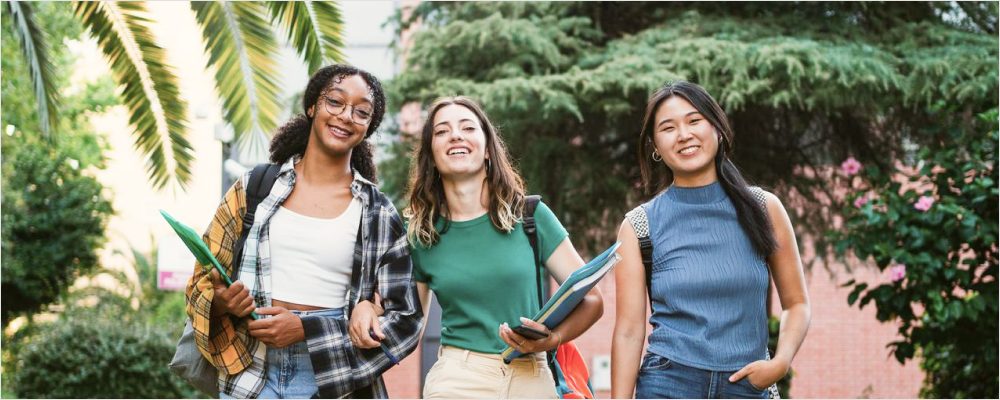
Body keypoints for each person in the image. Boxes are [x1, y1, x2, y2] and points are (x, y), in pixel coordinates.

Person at [184, 64, 422, 399]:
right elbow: (200, 283)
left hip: (333, 379)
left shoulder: (377, 212)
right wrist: (223, 303)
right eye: (335, 102)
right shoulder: (254, 187)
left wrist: (308, 330)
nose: (345, 116)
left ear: (368, 127)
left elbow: (406, 320)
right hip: (251, 375)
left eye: (361, 112)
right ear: (312, 106)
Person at [611, 81, 811, 399]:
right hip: (668, 384)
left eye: (694, 121)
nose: (684, 135)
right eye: (668, 128)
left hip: (747, 385)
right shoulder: (639, 226)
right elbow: (628, 331)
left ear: (717, 128)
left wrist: (781, 361)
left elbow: (797, 303)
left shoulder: (764, 208)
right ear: (655, 146)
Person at [401, 96, 604, 398]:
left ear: (487, 150)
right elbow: (408, 324)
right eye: (442, 131)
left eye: (467, 127)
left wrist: (552, 339)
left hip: (531, 376)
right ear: (431, 154)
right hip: (458, 378)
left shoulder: (531, 217)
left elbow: (592, 301)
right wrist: (367, 307)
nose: (455, 134)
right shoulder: (420, 233)